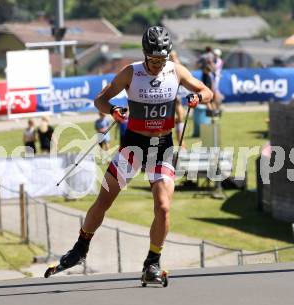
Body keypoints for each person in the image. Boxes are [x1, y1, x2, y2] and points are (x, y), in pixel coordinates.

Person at [58, 26, 213, 282]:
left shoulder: (176, 71)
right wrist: (114, 110)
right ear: (144, 55)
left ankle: (152, 262)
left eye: (161, 60)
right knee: (104, 202)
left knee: (163, 208)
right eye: (153, 60)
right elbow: (100, 100)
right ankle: (80, 248)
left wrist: (198, 97)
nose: (157, 65)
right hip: (133, 146)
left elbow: (207, 91)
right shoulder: (132, 72)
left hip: (161, 147)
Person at [169, 51, 186, 146]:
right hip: (173, 94)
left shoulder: (177, 66)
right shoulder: (170, 65)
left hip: (176, 94)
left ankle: (182, 147)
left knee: (180, 118)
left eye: (173, 56)